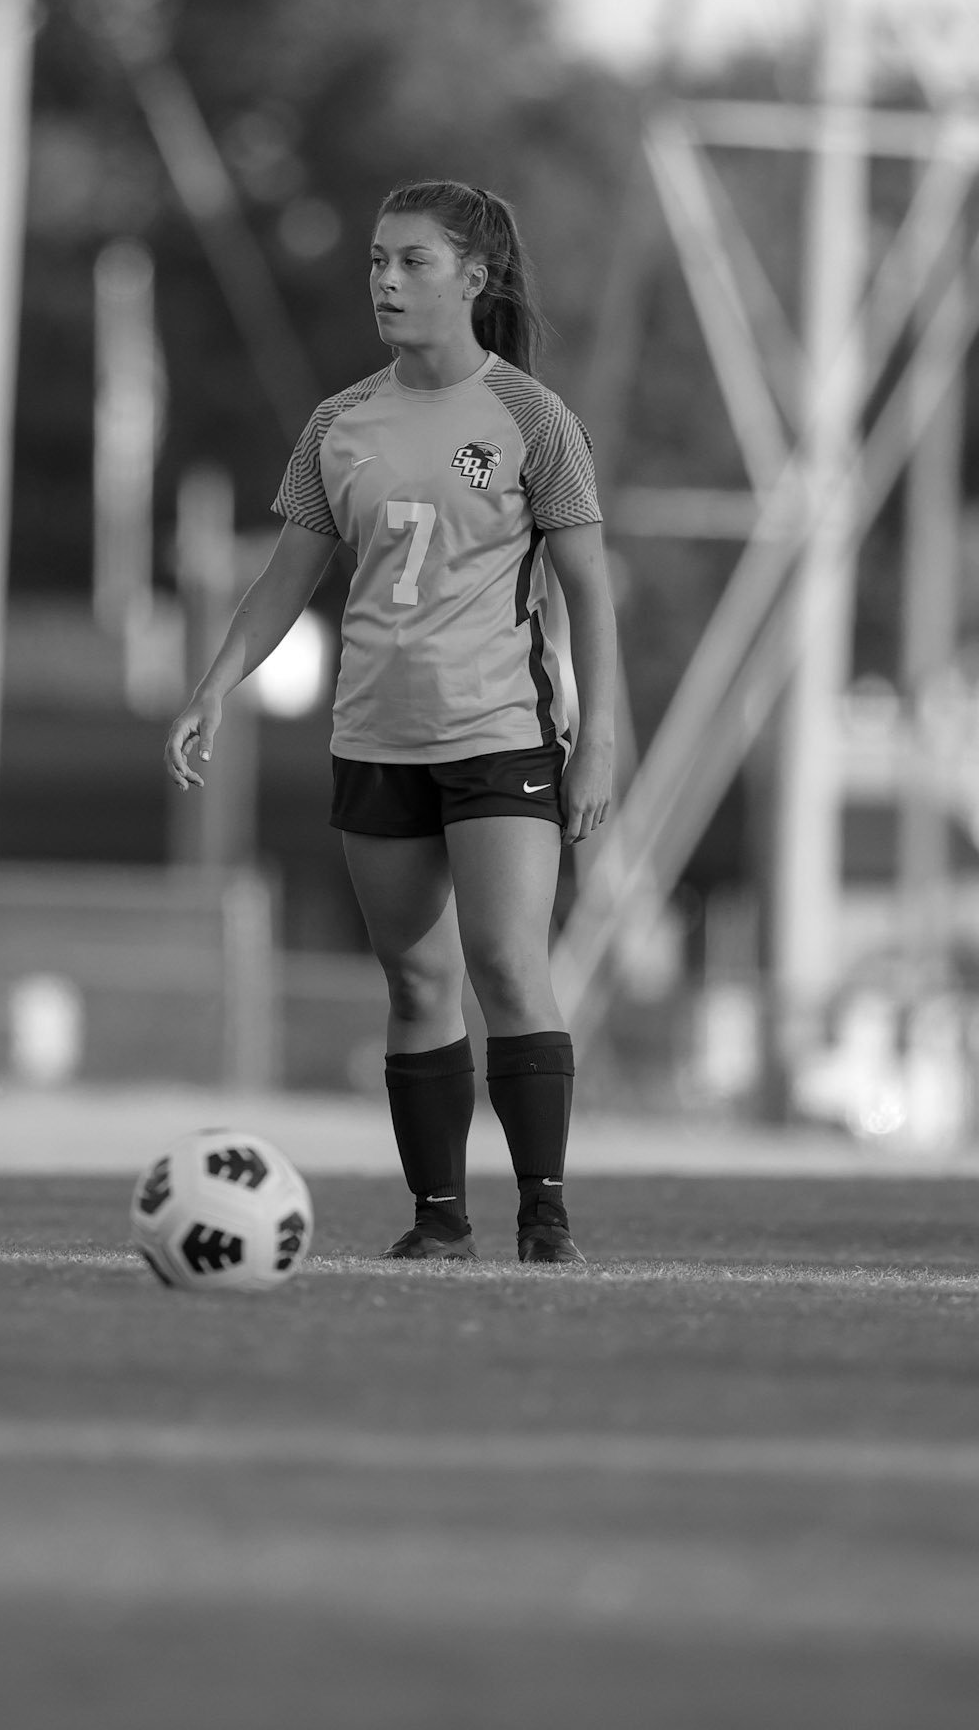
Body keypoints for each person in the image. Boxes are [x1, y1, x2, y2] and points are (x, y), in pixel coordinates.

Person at [164, 179, 617, 1265]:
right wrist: (213, 683)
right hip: (374, 736)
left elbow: (590, 590)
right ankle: (438, 1220)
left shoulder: (530, 418)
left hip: (501, 730)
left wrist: (597, 740)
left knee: (506, 961)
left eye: (412, 261)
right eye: (376, 260)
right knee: (416, 980)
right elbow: (286, 577)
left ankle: (545, 1213)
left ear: (474, 277)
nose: (385, 280)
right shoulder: (339, 422)